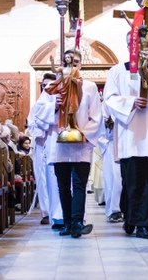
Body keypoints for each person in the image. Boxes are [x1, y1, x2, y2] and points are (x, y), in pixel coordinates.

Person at [103, 35, 148, 239]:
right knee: (132, 181)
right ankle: (130, 217)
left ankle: (144, 224)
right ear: (128, 45)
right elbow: (109, 99)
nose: (138, 46)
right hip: (131, 135)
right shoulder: (117, 71)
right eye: (134, 43)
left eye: (144, 43)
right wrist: (131, 103)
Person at [36, 50, 102, 238]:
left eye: (76, 62)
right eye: (68, 62)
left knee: (79, 184)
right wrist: (54, 106)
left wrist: (84, 133)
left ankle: (77, 223)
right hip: (59, 144)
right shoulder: (54, 87)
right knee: (63, 185)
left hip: (81, 145)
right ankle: (66, 223)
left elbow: (96, 116)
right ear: (62, 64)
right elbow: (38, 114)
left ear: (81, 64)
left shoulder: (89, 87)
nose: (72, 65)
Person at [26, 73, 64, 227]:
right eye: (44, 85)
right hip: (42, 145)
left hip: (57, 143)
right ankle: (46, 211)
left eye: (50, 85)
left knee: (56, 180)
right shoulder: (39, 105)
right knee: (44, 181)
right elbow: (32, 124)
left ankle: (60, 212)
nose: (46, 88)